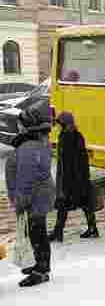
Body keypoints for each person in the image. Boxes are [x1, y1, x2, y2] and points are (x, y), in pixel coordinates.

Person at [5, 100, 55, 287]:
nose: (17, 127)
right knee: (37, 232)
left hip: (34, 198)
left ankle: (41, 270)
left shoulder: (28, 148)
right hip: (38, 196)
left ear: (27, 126)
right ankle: (40, 264)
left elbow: (26, 180)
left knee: (37, 233)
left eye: (20, 124)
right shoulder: (35, 143)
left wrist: (20, 202)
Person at [48, 112, 99, 242]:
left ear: (64, 124)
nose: (58, 126)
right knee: (85, 203)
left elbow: (66, 162)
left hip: (70, 178)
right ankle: (92, 228)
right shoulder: (77, 135)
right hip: (80, 177)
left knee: (63, 205)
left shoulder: (65, 137)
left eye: (59, 123)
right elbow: (82, 158)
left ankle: (58, 232)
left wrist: (64, 181)